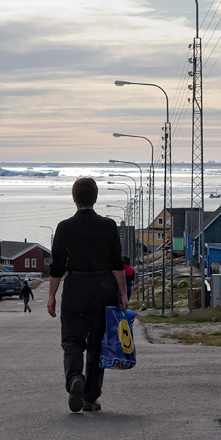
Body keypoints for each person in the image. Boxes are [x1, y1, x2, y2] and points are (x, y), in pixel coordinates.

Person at [47, 177, 128, 414]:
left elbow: (57, 266)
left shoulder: (64, 227)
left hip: (76, 287)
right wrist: (123, 293)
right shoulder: (108, 226)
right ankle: (90, 397)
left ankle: (74, 380)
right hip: (104, 288)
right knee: (97, 344)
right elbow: (117, 264)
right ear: (95, 197)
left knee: (72, 341)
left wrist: (51, 296)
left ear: (74, 198)